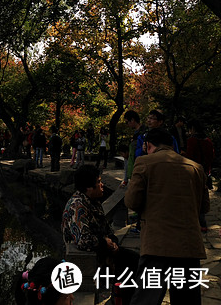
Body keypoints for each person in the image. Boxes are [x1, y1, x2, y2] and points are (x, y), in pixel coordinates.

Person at [125, 128, 209, 305]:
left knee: (146, 299)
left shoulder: (144, 162)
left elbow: (132, 201)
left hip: (157, 244)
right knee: (187, 300)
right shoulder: (196, 167)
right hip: (188, 245)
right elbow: (204, 207)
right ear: (171, 145)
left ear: (148, 145)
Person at [62, 165, 139, 303]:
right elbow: (83, 240)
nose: (102, 185)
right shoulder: (77, 206)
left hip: (106, 251)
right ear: (88, 187)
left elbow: (107, 229)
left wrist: (112, 242)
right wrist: (106, 243)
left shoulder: (93, 201)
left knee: (136, 261)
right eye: (98, 182)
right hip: (93, 258)